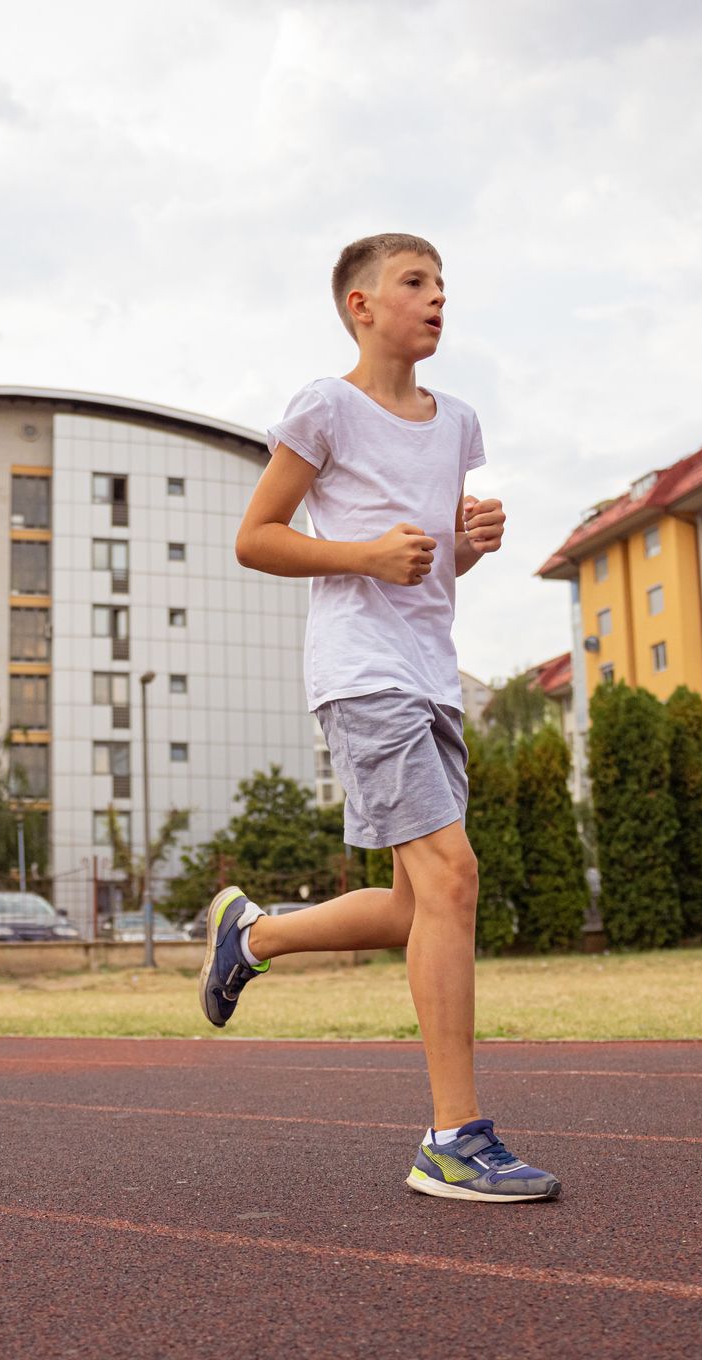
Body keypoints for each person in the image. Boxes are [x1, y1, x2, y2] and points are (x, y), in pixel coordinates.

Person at [201, 233, 560, 1203]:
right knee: (454, 875)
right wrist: (360, 555)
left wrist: (468, 544)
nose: (437, 297)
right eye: (415, 283)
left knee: (417, 906)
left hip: (430, 674)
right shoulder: (325, 406)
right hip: (361, 674)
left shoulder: (457, 424)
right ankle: (452, 1136)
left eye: (442, 283)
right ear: (360, 306)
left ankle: (253, 937)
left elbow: (431, 564)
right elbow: (255, 538)